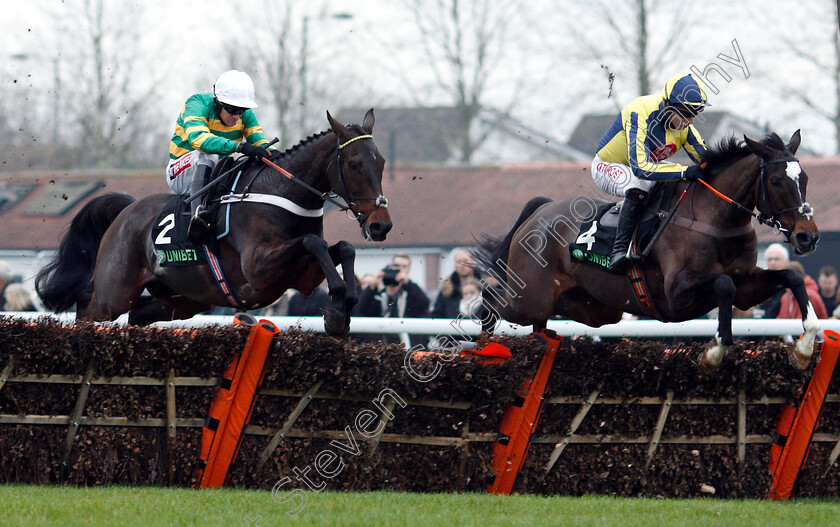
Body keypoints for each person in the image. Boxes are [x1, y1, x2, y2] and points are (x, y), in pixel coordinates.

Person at [592, 73, 708, 270]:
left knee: (679, 181)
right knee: (642, 182)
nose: (690, 121)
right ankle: (619, 251)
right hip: (608, 166)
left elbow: (708, 161)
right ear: (669, 105)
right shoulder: (640, 112)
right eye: (686, 114)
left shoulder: (684, 126)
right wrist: (684, 171)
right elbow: (640, 168)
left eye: (694, 114)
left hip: (642, 168)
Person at [167, 70, 274, 243]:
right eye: (232, 110)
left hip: (218, 174)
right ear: (218, 102)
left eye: (242, 110)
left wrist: (274, 154)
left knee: (248, 164)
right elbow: (199, 140)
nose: (237, 116)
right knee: (208, 153)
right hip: (180, 173)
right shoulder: (196, 104)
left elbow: (259, 140)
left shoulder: (244, 115)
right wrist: (239, 146)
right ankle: (198, 216)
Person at [356, 255, 430, 346]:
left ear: (409, 269)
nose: (400, 269)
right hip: (382, 344)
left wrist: (407, 283)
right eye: (396, 265)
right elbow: (361, 308)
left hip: (409, 344)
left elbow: (424, 303)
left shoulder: (411, 293)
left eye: (404, 266)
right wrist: (373, 285)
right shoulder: (378, 295)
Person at [431, 249, 482, 318]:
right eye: (459, 262)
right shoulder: (447, 290)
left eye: (466, 261)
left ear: (473, 263)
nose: (462, 265)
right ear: (454, 265)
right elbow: (437, 315)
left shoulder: (484, 287)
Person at [758, 243, 790, 319]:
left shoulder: (792, 284)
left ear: (787, 262)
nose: (772, 263)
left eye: (776, 259)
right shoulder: (762, 286)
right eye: (770, 259)